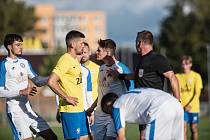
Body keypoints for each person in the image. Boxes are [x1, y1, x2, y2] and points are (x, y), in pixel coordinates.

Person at [116, 30, 180, 139]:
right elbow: (135, 76)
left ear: (140, 43)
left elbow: (172, 77)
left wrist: (177, 101)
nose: (136, 45)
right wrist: (119, 76)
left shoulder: (157, 58)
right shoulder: (141, 60)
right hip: (143, 107)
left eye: (136, 42)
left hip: (154, 107)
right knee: (143, 136)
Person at [0, 33, 57, 140]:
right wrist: (21, 92)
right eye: (17, 45)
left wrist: (53, 78)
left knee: (52, 137)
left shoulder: (25, 62)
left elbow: (37, 81)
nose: (21, 47)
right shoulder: (3, 65)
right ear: (9, 47)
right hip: (15, 111)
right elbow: (1, 91)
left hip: (28, 110)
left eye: (21, 44)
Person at [48, 30, 89, 140]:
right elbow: (51, 81)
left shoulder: (74, 60)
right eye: (81, 43)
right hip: (70, 111)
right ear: (72, 44)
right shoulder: (65, 59)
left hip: (80, 110)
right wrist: (66, 97)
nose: (83, 46)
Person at [91, 39, 134, 140]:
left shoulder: (121, 68)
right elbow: (101, 92)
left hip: (113, 113)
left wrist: (123, 111)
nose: (96, 52)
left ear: (109, 51)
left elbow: (131, 91)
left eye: (99, 50)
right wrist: (92, 108)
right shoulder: (101, 68)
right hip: (99, 115)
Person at [101, 88, 184, 140]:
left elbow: (121, 137)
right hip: (176, 104)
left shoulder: (116, 105)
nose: (111, 116)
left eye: (108, 112)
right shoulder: (129, 97)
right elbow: (144, 111)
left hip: (160, 108)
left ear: (109, 105)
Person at [176, 55, 203, 140]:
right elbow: (175, 92)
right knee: (183, 130)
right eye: (183, 64)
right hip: (181, 108)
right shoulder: (177, 76)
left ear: (190, 64)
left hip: (193, 108)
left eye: (186, 63)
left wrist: (190, 105)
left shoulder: (196, 76)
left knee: (194, 129)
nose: (184, 66)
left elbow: (197, 93)